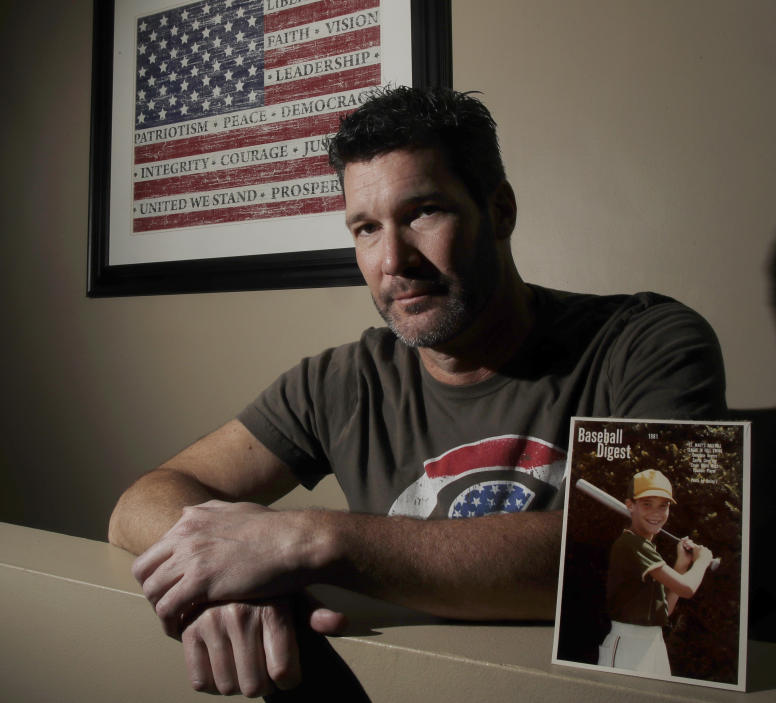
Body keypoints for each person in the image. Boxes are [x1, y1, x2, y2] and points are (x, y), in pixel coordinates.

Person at [108, 86, 726, 698]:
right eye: (367, 228)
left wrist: (311, 541)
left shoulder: (645, 342)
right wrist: (229, 581)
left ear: (501, 210)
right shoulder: (342, 381)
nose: (393, 260)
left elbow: (666, 562)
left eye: (423, 212)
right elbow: (141, 504)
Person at [597, 469, 714, 674]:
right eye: (647, 504)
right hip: (627, 645)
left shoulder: (646, 547)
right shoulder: (631, 545)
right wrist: (703, 561)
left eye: (663, 506)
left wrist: (681, 565)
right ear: (630, 505)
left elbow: (664, 611)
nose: (656, 513)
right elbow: (687, 589)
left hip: (653, 643)